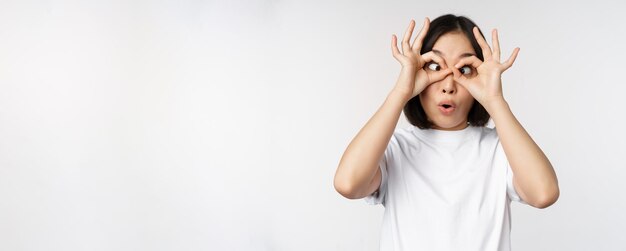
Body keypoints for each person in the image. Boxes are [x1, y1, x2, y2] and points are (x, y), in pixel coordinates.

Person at [333, 14, 560, 251]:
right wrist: (401, 91)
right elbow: (348, 184)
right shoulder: (397, 149)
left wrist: (495, 100)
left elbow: (544, 193)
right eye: (435, 66)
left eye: (465, 69)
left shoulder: (499, 150)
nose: (449, 85)